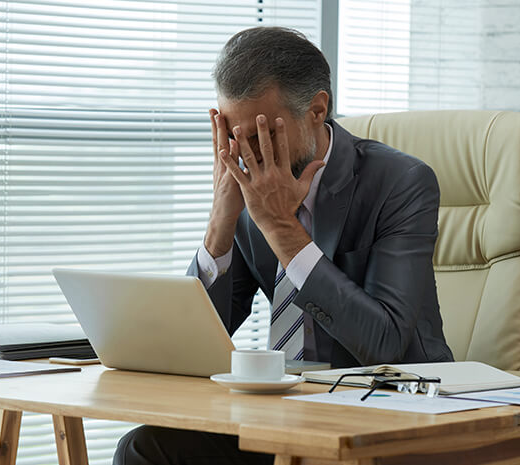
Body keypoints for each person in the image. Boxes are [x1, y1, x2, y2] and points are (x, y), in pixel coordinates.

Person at [113, 26, 453, 465]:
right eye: (233, 136)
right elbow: (195, 344)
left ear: (317, 110)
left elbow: (384, 344)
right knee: (145, 448)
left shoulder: (401, 182)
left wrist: (281, 227)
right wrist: (220, 224)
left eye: (260, 136)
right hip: (285, 414)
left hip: (389, 411)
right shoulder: (245, 186)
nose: (245, 155)